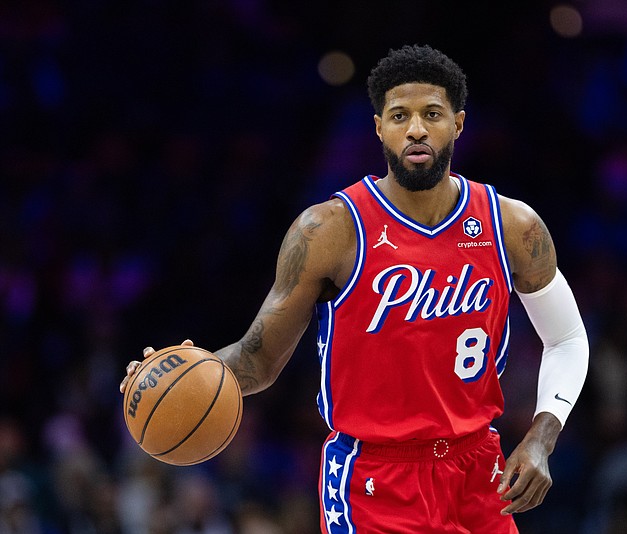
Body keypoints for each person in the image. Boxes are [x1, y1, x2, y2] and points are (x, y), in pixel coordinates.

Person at [120, 43, 589, 533]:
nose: (416, 128)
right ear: (378, 127)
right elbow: (257, 360)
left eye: (432, 113)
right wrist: (176, 373)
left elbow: (568, 339)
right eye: (399, 115)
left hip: (478, 469)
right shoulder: (328, 231)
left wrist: (541, 434)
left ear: (459, 123)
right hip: (373, 479)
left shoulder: (512, 226)